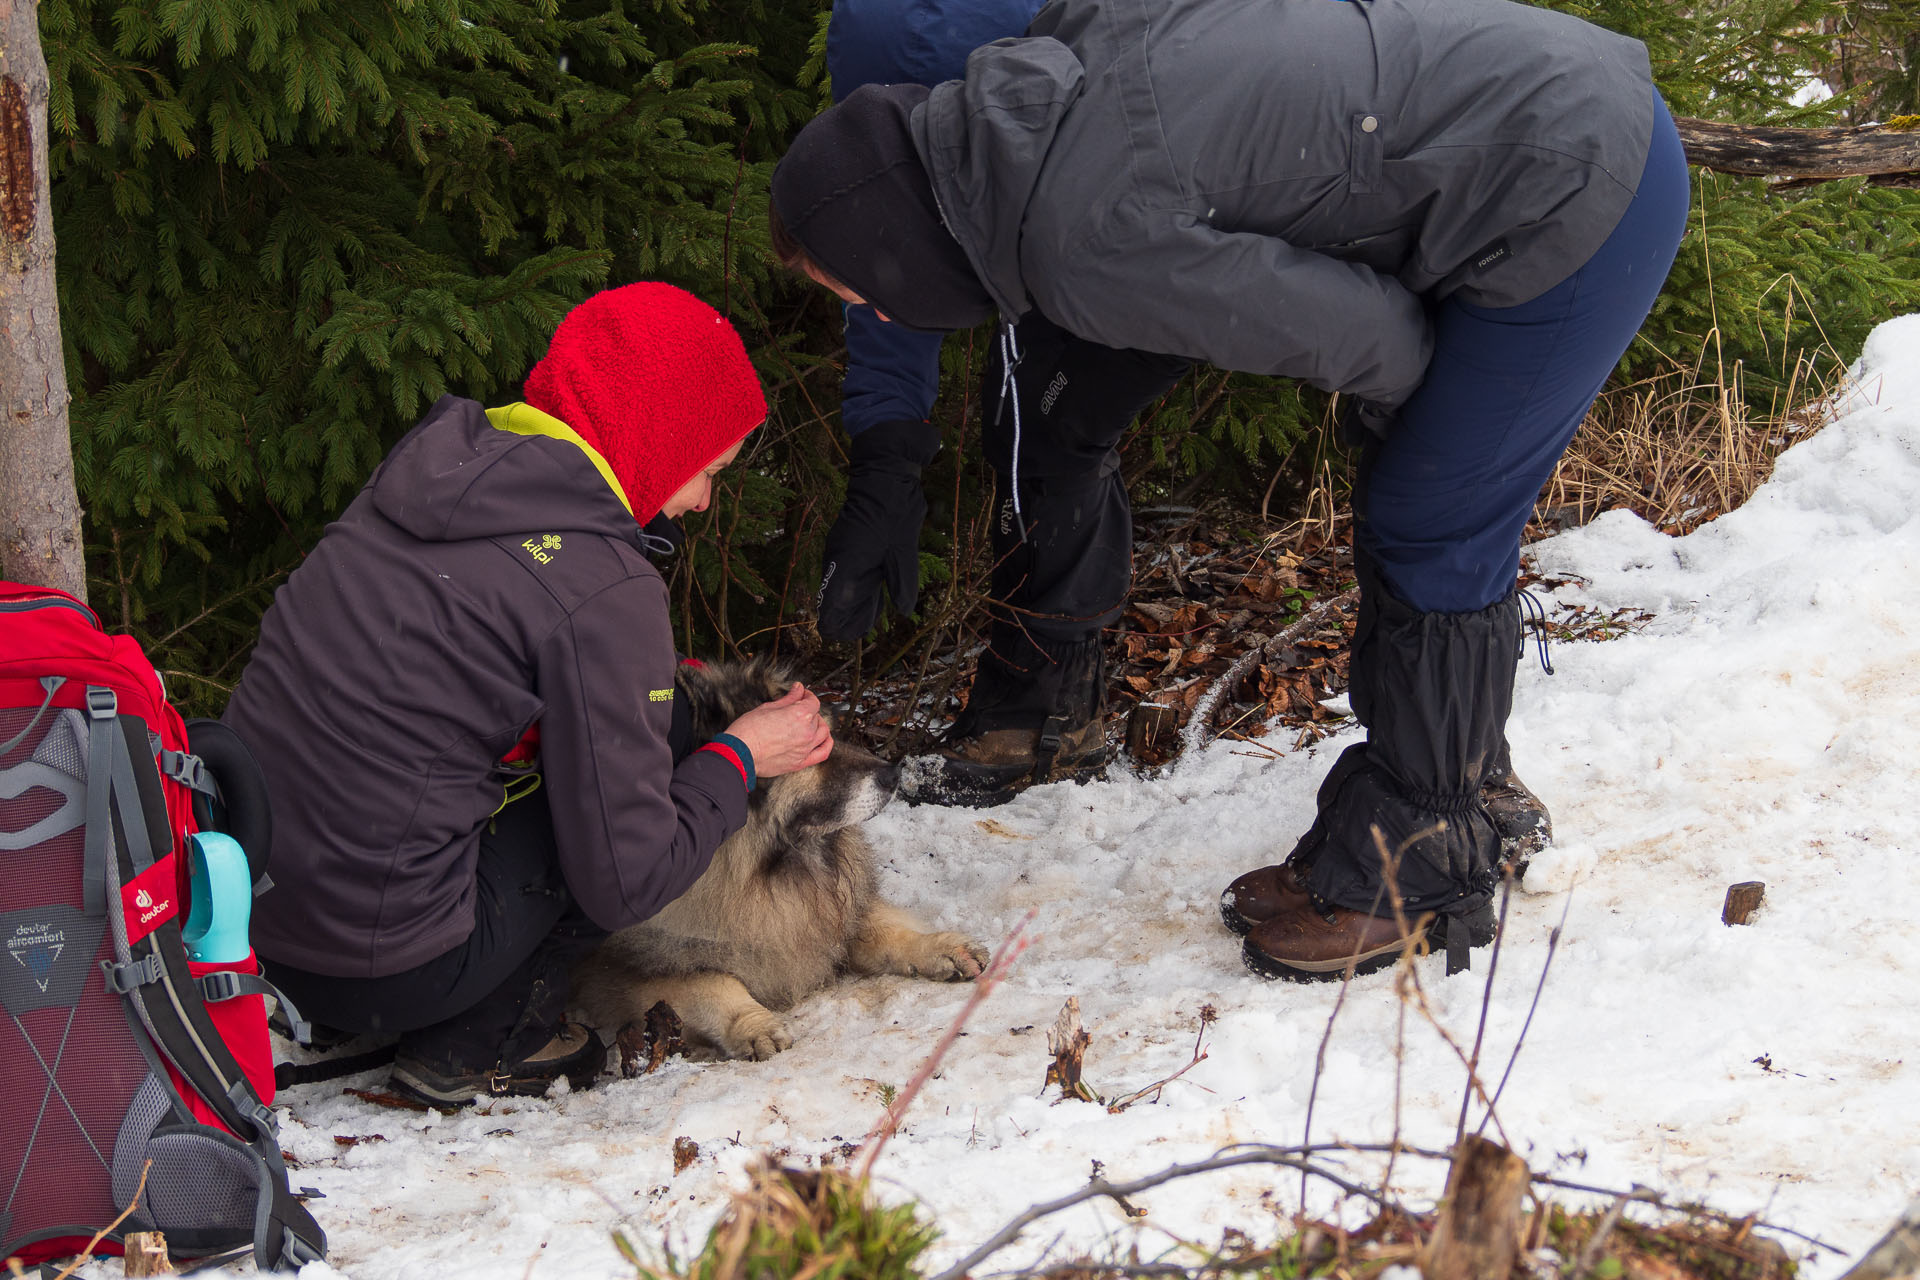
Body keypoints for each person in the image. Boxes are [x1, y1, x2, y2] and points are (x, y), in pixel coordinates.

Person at [769, 0, 1691, 978]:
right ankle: (1459, 781)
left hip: (1572, 184)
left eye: (863, 294)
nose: (875, 314)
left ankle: (1424, 860)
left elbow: (1370, 340)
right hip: (1545, 107)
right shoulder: (1041, 91)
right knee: (1422, 490)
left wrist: (1434, 437)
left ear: (899, 253)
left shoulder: (1078, 241)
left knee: (1433, 511)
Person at [222, 283, 835, 1104]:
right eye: (707, 471)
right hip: (385, 969)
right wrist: (739, 754)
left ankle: (390, 997)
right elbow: (629, 875)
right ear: (655, 440)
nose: (701, 502)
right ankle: (487, 1043)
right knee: (607, 822)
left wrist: (665, 698)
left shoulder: (432, 476)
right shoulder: (600, 583)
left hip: (256, 928)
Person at [814, 0, 1153, 812]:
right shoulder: (877, 33)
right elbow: (882, 249)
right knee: (1034, 409)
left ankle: (1046, 709)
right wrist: (887, 450)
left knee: (1046, 415)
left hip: (1141, 198)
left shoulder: (1078, 48)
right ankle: (1041, 699)